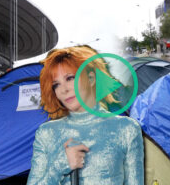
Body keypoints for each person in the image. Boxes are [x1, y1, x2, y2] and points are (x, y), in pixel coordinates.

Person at [27, 46, 144, 185]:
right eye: (56, 85)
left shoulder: (127, 129)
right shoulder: (46, 133)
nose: (64, 90)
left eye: (70, 78)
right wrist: (61, 165)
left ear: (91, 78)